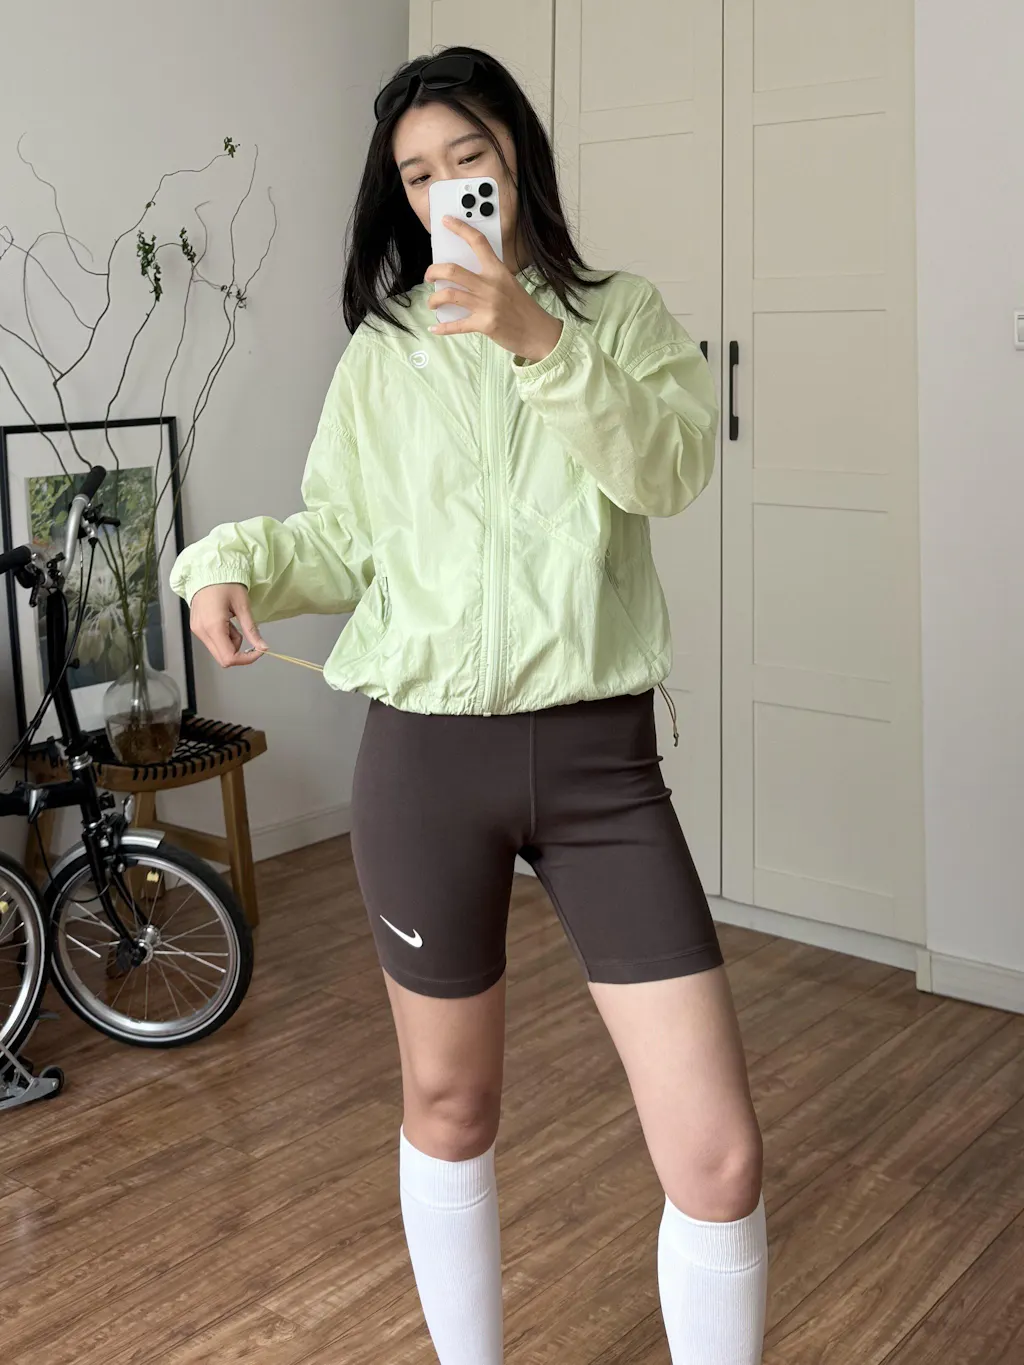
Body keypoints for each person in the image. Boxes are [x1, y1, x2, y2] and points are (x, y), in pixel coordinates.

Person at [171, 45, 768, 1365]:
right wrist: (227, 562)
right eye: (417, 175)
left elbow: (669, 471)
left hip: (602, 770)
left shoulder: (619, 316)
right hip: (424, 770)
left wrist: (535, 338)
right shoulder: (386, 351)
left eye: (469, 159)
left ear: (516, 160)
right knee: (449, 1106)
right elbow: (342, 539)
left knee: (718, 1158)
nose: (445, 189)